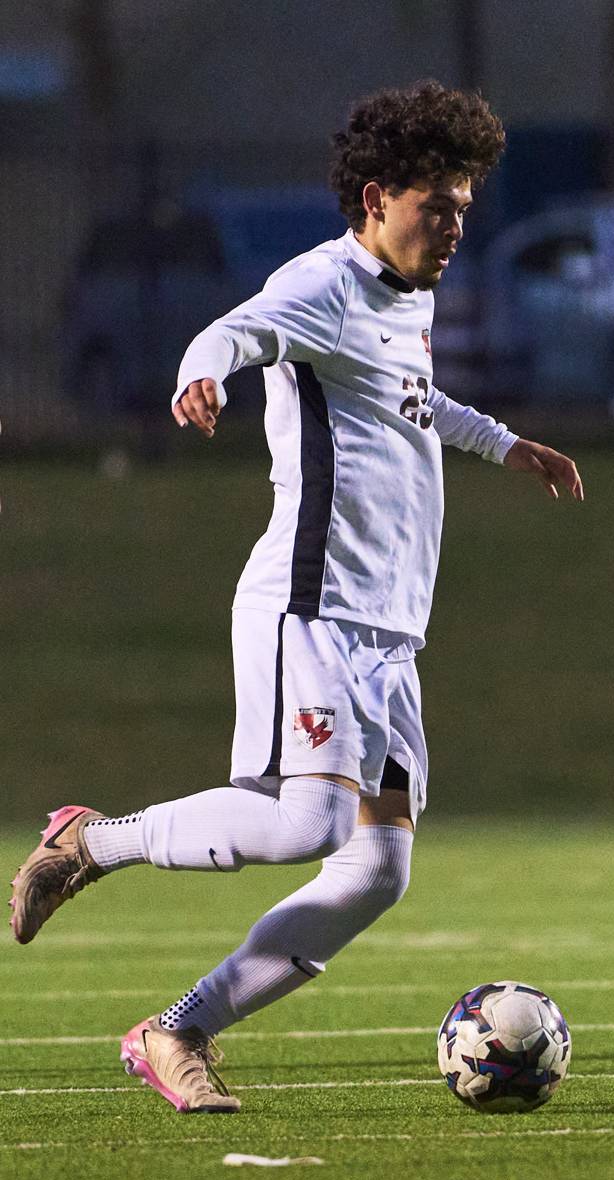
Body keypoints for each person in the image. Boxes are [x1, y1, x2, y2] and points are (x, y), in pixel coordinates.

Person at [10, 80, 583, 1113]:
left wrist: (502, 443)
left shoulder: (408, 293)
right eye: (437, 207)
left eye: (463, 206)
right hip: (308, 607)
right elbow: (234, 330)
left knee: (374, 875)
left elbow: (409, 400)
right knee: (305, 825)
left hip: (389, 636)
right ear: (375, 196)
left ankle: (173, 1032)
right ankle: (89, 841)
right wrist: (204, 375)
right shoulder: (319, 282)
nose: (455, 226)